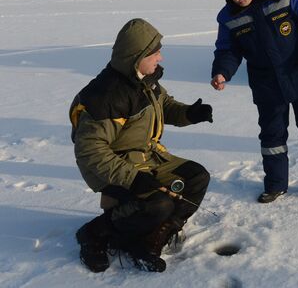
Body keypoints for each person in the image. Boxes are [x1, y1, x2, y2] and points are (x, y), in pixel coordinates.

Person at [69, 18, 212, 273]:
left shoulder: (145, 79)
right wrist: (133, 179)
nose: (161, 58)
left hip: (145, 156)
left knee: (196, 177)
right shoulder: (107, 95)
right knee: (158, 203)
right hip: (111, 166)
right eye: (155, 53)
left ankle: (153, 235)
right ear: (137, 57)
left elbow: (164, 106)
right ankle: (95, 233)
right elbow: (90, 151)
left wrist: (190, 113)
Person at [211, 0, 298, 204]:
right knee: (272, 137)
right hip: (267, 84)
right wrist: (222, 72)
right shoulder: (228, 16)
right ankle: (276, 185)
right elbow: (227, 50)